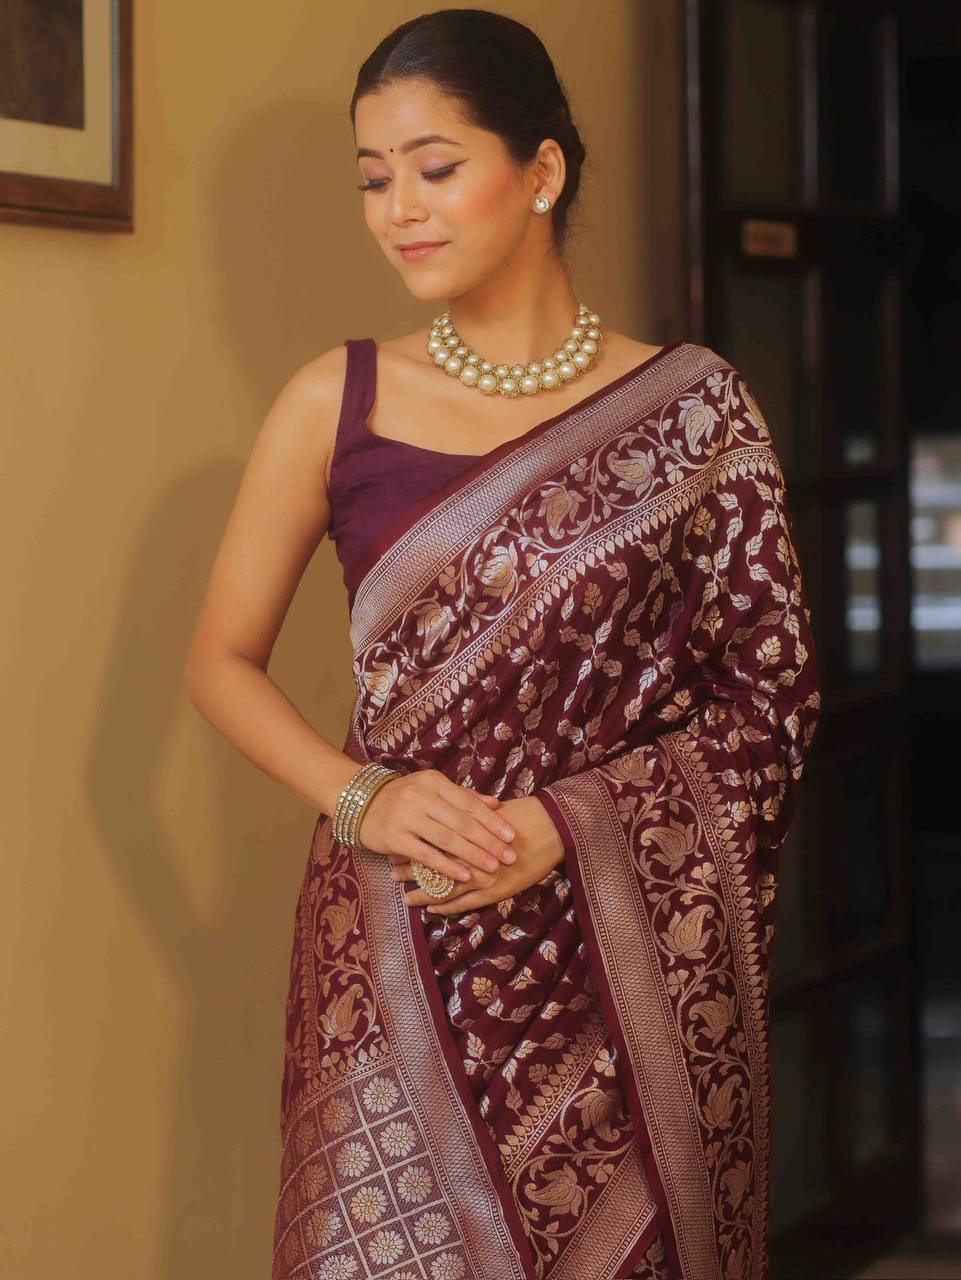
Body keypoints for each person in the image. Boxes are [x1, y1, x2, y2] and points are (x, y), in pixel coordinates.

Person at [184, 9, 821, 1280]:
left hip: (618, 978)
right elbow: (219, 660)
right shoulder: (335, 399)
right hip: (395, 949)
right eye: (373, 179)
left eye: (434, 167)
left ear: (541, 170)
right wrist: (363, 795)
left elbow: (770, 699)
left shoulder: (693, 410)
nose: (398, 211)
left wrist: (563, 826)